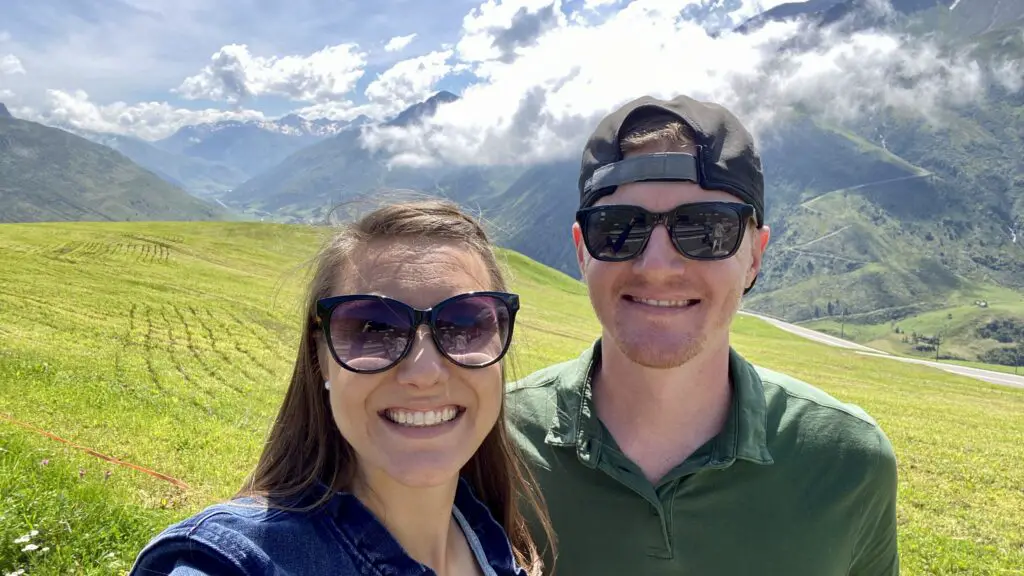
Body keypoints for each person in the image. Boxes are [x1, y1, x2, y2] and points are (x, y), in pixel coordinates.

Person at [506, 95, 900, 575]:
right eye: (617, 229)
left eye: (705, 229)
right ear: (582, 251)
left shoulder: (847, 462)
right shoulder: (493, 447)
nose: (656, 266)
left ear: (755, 255)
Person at [130, 200, 554, 576]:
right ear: (321, 358)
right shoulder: (237, 562)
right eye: (374, 328)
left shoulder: (498, 545)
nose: (424, 372)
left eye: (464, 323)